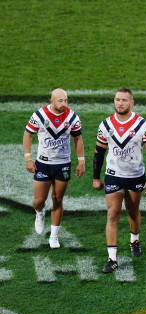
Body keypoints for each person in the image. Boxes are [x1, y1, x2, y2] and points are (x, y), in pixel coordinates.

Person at [92, 88, 146, 273]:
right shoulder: (105, 125)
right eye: (117, 100)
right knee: (112, 213)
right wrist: (96, 177)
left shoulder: (142, 125)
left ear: (132, 103)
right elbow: (99, 152)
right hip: (113, 175)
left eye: (124, 100)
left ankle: (134, 239)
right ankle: (112, 258)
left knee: (132, 211)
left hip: (136, 175)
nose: (120, 103)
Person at [22, 88, 85, 248]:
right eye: (60, 101)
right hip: (43, 163)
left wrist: (81, 160)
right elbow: (28, 134)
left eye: (66, 100)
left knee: (57, 199)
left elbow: (78, 138)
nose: (64, 104)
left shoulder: (72, 117)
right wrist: (28, 158)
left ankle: (54, 236)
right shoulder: (39, 116)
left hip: (63, 164)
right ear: (52, 101)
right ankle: (39, 213)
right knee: (38, 201)